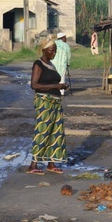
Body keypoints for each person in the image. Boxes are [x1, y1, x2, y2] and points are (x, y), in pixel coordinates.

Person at [27, 37, 69, 175]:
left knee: (55, 132)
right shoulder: (38, 64)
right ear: (44, 50)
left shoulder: (51, 65)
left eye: (55, 51)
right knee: (43, 130)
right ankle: (33, 164)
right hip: (44, 102)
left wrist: (61, 87)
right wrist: (56, 86)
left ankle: (51, 163)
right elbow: (34, 85)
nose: (54, 53)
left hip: (55, 103)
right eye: (52, 50)